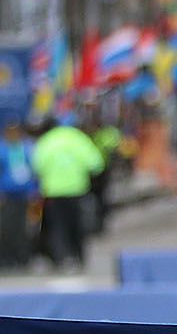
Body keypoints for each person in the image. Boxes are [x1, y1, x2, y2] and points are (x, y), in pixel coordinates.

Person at [31, 116, 104, 271]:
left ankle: (62, 258)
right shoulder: (77, 138)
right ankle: (79, 257)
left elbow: (37, 166)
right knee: (77, 225)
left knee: (57, 227)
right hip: (76, 189)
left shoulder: (46, 141)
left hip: (53, 191)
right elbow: (96, 163)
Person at [0, 120, 37, 270]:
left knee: (24, 228)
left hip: (24, 195)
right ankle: (7, 258)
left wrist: (34, 191)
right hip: (7, 195)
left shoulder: (27, 148)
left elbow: (34, 171)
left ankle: (23, 258)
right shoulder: (2, 150)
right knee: (7, 227)